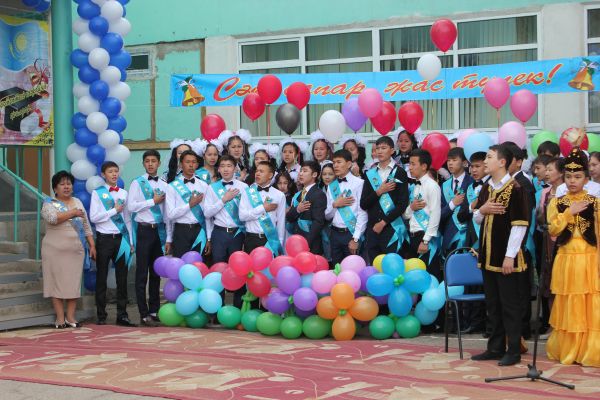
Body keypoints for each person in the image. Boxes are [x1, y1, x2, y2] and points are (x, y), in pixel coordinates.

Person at [471, 145, 529, 366]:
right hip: (488, 256)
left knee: (509, 305)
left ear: (502, 162)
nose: (485, 161)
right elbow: (477, 218)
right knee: (493, 304)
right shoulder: (487, 187)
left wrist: (510, 256)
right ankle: (495, 347)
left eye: (489, 157)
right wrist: (482, 210)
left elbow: (520, 224)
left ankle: (513, 349)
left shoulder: (516, 188)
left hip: (505, 258)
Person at [545, 148, 599, 367]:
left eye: (577, 176)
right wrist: (569, 213)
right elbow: (553, 229)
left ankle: (589, 349)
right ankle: (569, 348)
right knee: (569, 302)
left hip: (589, 258)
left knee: (589, 303)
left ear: (586, 179)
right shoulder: (557, 202)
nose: (572, 181)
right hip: (566, 258)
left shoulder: (595, 202)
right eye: (568, 176)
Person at [42, 171, 95, 329]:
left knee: (73, 283)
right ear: (55, 188)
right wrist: (72, 212)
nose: (66, 187)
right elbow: (52, 218)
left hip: (75, 251)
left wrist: (92, 245)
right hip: (53, 251)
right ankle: (60, 318)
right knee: (55, 283)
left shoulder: (77, 201)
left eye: (69, 183)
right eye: (62, 184)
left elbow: (86, 226)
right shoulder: (49, 203)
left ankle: (70, 317)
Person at [128, 150, 172, 326]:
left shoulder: (164, 184)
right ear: (143, 164)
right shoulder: (137, 183)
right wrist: (152, 201)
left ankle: (154, 310)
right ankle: (143, 312)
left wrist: (169, 237)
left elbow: (167, 213)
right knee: (142, 274)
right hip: (143, 231)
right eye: (147, 161)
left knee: (156, 272)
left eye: (154, 161)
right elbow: (131, 207)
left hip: (159, 231)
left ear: (159, 163)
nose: (151, 164)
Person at [90, 161, 135, 327]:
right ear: (103, 174)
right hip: (104, 239)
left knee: (122, 279)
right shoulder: (98, 193)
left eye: (116, 171)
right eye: (110, 171)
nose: (114, 174)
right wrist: (114, 210)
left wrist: (131, 241)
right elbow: (94, 218)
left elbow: (128, 219)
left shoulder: (124, 193)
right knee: (101, 278)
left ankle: (122, 315)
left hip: (122, 239)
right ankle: (101, 315)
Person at [204, 155, 248, 307]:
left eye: (229, 166)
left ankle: (238, 307)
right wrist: (224, 199)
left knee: (238, 270)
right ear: (218, 169)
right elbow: (207, 213)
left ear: (235, 168)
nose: (225, 169)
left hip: (238, 233)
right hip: (219, 233)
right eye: (222, 166)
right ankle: (217, 308)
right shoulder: (212, 188)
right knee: (218, 271)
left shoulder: (244, 187)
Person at [503, 142, 535, 341]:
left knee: (521, 288)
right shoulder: (502, 182)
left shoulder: (523, 183)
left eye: (508, 159)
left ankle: (522, 329)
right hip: (506, 241)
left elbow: (525, 218)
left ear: (518, 162)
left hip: (520, 243)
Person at [361, 136, 409, 264]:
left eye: (384, 148)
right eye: (377, 148)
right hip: (372, 230)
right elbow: (363, 204)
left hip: (391, 228)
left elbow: (402, 204)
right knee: (374, 267)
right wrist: (379, 191)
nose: (380, 151)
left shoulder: (400, 173)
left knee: (392, 266)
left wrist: (383, 222)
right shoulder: (370, 174)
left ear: (392, 150)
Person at [456, 151, 489, 335]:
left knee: (486, 282)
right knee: (472, 282)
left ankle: (486, 322)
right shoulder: (469, 188)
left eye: (478, 166)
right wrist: (471, 206)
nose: (474, 170)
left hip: (487, 238)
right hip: (471, 240)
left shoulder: (492, 186)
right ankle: (473, 321)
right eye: (472, 166)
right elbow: (461, 216)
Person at [402, 149, 442, 280]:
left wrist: (426, 240)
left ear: (424, 166)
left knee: (429, 275)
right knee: (414, 277)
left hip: (424, 236)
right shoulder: (414, 186)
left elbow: (435, 214)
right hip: (412, 236)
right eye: (409, 164)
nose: (410, 167)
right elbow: (406, 215)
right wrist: (411, 207)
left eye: (413, 164)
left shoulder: (432, 186)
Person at [536, 157, 565, 337]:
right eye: (545, 169)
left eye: (550, 169)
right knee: (548, 285)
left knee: (561, 284)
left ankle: (562, 326)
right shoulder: (545, 192)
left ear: (561, 173)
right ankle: (552, 326)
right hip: (547, 240)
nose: (546, 173)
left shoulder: (567, 193)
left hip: (563, 241)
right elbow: (540, 218)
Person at [165, 150, 212, 258]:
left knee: (199, 264)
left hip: (199, 230)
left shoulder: (204, 186)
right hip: (180, 231)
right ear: (181, 164)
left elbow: (207, 214)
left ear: (197, 164)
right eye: (187, 162)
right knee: (181, 264)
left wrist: (209, 238)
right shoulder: (172, 186)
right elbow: (170, 215)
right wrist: (190, 205)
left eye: (194, 162)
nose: (191, 165)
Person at [325, 149, 367, 266]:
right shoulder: (331, 186)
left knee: (353, 269)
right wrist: (335, 205)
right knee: (336, 268)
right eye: (334, 162)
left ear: (349, 164)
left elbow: (363, 213)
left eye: (339, 162)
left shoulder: (359, 183)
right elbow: (327, 215)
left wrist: (356, 238)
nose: (335, 166)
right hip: (334, 234)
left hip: (351, 233)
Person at [239, 161, 286, 255]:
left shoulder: (279, 195)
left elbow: (281, 222)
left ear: (270, 175)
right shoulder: (247, 192)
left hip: (270, 240)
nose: (257, 173)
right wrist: (263, 208)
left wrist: (280, 243)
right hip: (251, 239)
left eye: (261, 171)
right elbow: (242, 216)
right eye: (257, 171)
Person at [286, 161, 327, 255]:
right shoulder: (298, 194)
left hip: (310, 244)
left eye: (305, 171)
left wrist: (306, 243)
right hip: (296, 242)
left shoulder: (319, 194)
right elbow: (289, 217)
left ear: (314, 174)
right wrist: (297, 209)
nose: (300, 173)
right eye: (300, 171)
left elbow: (318, 222)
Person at [440, 147, 473, 254]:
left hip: (468, 236)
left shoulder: (472, 183)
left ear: (464, 163)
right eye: (448, 160)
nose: (450, 163)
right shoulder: (444, 185)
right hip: (449, 235)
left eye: (454, 160)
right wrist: (452, 204)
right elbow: (440, 214)